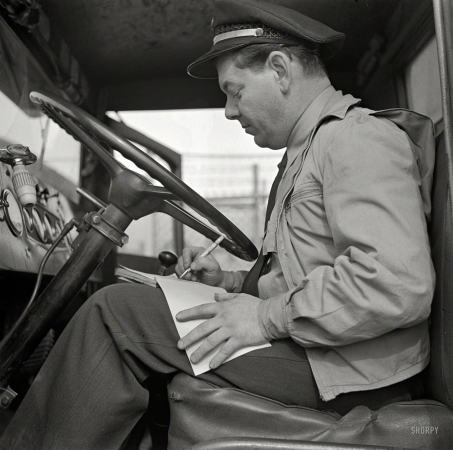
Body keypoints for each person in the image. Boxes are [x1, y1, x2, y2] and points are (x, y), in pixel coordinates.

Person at [0, 0, 435, 448]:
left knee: (115, 314)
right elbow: (300, 274)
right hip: (326, 352)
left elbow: (395, 284)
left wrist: (264, 318)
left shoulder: (356, 139)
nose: (229, 110)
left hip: (349, 373)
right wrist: (226, 280)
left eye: (235, 90)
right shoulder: (305, 153)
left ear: (281, 70)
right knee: (146, 303)